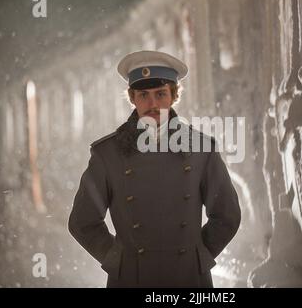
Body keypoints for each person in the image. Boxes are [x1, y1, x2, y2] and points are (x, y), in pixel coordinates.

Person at [68, 50, 241, 288]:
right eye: (143, 95)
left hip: (189, 279)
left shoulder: (202, 149)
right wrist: (118, 260)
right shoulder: (107, 154)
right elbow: (82, 221)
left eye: (160, 94)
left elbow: (226, 216)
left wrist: (197, 257)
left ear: (173, 96)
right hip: (131, 279)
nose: (152, 104)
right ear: (133, 99)